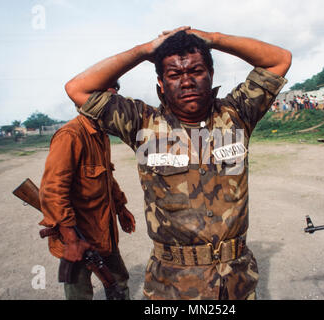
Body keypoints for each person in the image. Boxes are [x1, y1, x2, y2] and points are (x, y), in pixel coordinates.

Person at [64, 26, 291, 300]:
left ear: (210, 74)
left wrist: (213, 40)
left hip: (236, 284)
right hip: (171, 287)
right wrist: (145, 50)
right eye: (174, 75)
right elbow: (77, 88)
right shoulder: (142, 124)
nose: (187, 82)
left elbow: (279, 59)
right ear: (161, 82)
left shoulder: (237, 115)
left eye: (196, 71)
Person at [39, 81, 136, 300]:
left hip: (103, 232)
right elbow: (52, 191)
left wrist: (121, 208)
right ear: (93, 101)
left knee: (119, 283)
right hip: (76, 235)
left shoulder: (101, 134)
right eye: (109, 103)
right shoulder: (70, 136)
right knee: (79, 294)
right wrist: (72, 240)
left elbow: (107, 178)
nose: (114, 110)